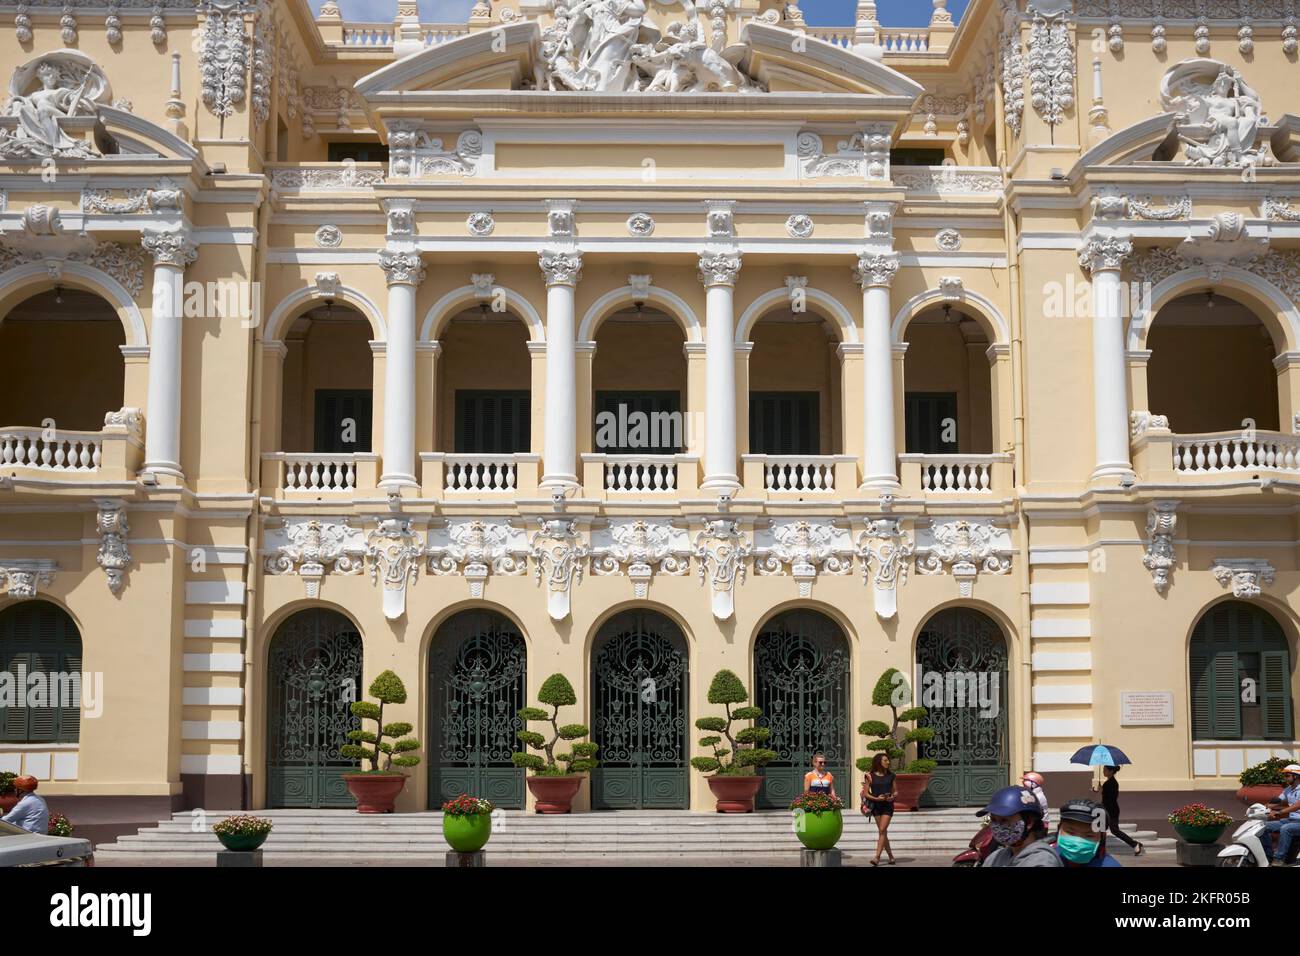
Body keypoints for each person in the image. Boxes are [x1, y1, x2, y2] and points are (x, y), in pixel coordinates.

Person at [978, 785, 1062, 867]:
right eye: (993, 820)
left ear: (1029, 822)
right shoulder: (994, 858)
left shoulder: (1044, 861)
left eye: (1004, 820)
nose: (997, 826)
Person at [1054, 798, 1122, 867]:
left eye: (1089, 835)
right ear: (1059, 829)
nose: (1078, 841)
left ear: (1102, 837)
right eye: (1071, 832)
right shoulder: (1048, 857)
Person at [1092, 765, 1143, 855]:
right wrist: (1101, 789)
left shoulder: (1111, 783)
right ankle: (1100, 850)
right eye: (1103, 770)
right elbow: (1107, 797)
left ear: (1111, 771)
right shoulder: (1110, 782)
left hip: (1110, 810)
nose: (1103, 771)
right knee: (1101, 829)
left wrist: (1103, 792)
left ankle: (1134, 844)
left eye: (1105, 770)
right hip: (1109, 809)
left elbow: (1109, 799)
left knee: (1111, 830)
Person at [860, 753, 897, 866]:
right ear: (879, 762)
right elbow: (866, 794)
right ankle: (891, 856)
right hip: (876, 806)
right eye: (885, 760)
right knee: (883, 832)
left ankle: (877, 857)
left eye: (888, 760)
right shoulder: (870, 776)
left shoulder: (891, 775)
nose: (888, 762)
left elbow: (895, 791)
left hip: (887, 806)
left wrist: (892, 797)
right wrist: (877, 798)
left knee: (881, 830)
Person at [1261, 763, 1300, 865]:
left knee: (1286, 829)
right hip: (1291, 820)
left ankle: (1279, 859)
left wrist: (1279, 812)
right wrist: (1264, 807)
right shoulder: (1288, 790)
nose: (1285, 778)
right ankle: (1268, 856)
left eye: (1287, 776)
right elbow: (1278, 800)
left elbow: (1297, 806)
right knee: (1263, 827)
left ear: (1295, 776)